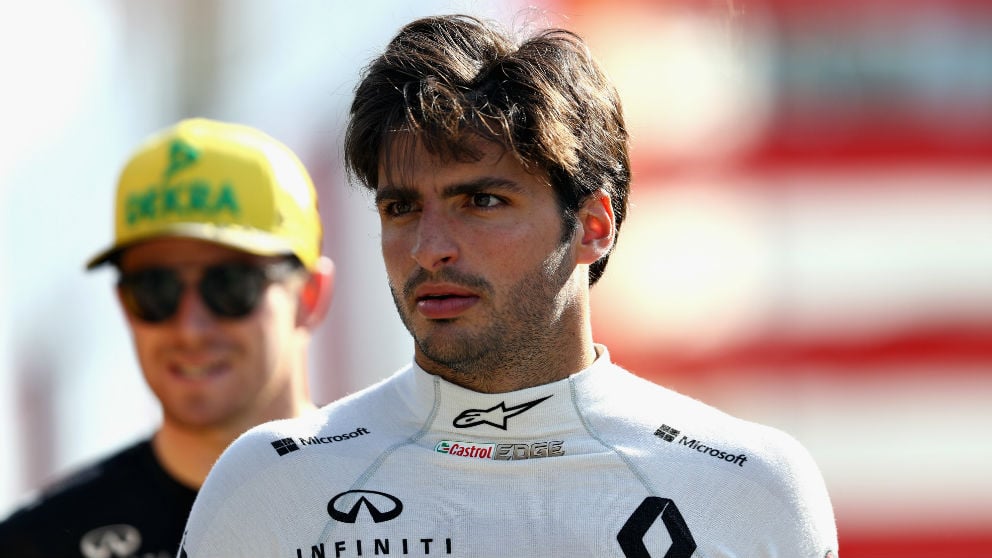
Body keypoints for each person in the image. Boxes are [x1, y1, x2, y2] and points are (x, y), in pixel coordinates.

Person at [178, 15, 838, 557]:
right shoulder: (271, 484)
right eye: (401, 208)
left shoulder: (750, 485)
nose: (430, 249)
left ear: (593, 226)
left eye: (481, 201)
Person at [0, 118, 334, 558]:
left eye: (230, 285)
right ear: (123, 303)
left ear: (309, 296)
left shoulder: (412, 502)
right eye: (154, 289)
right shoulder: (36, 544)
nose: (190, 327)